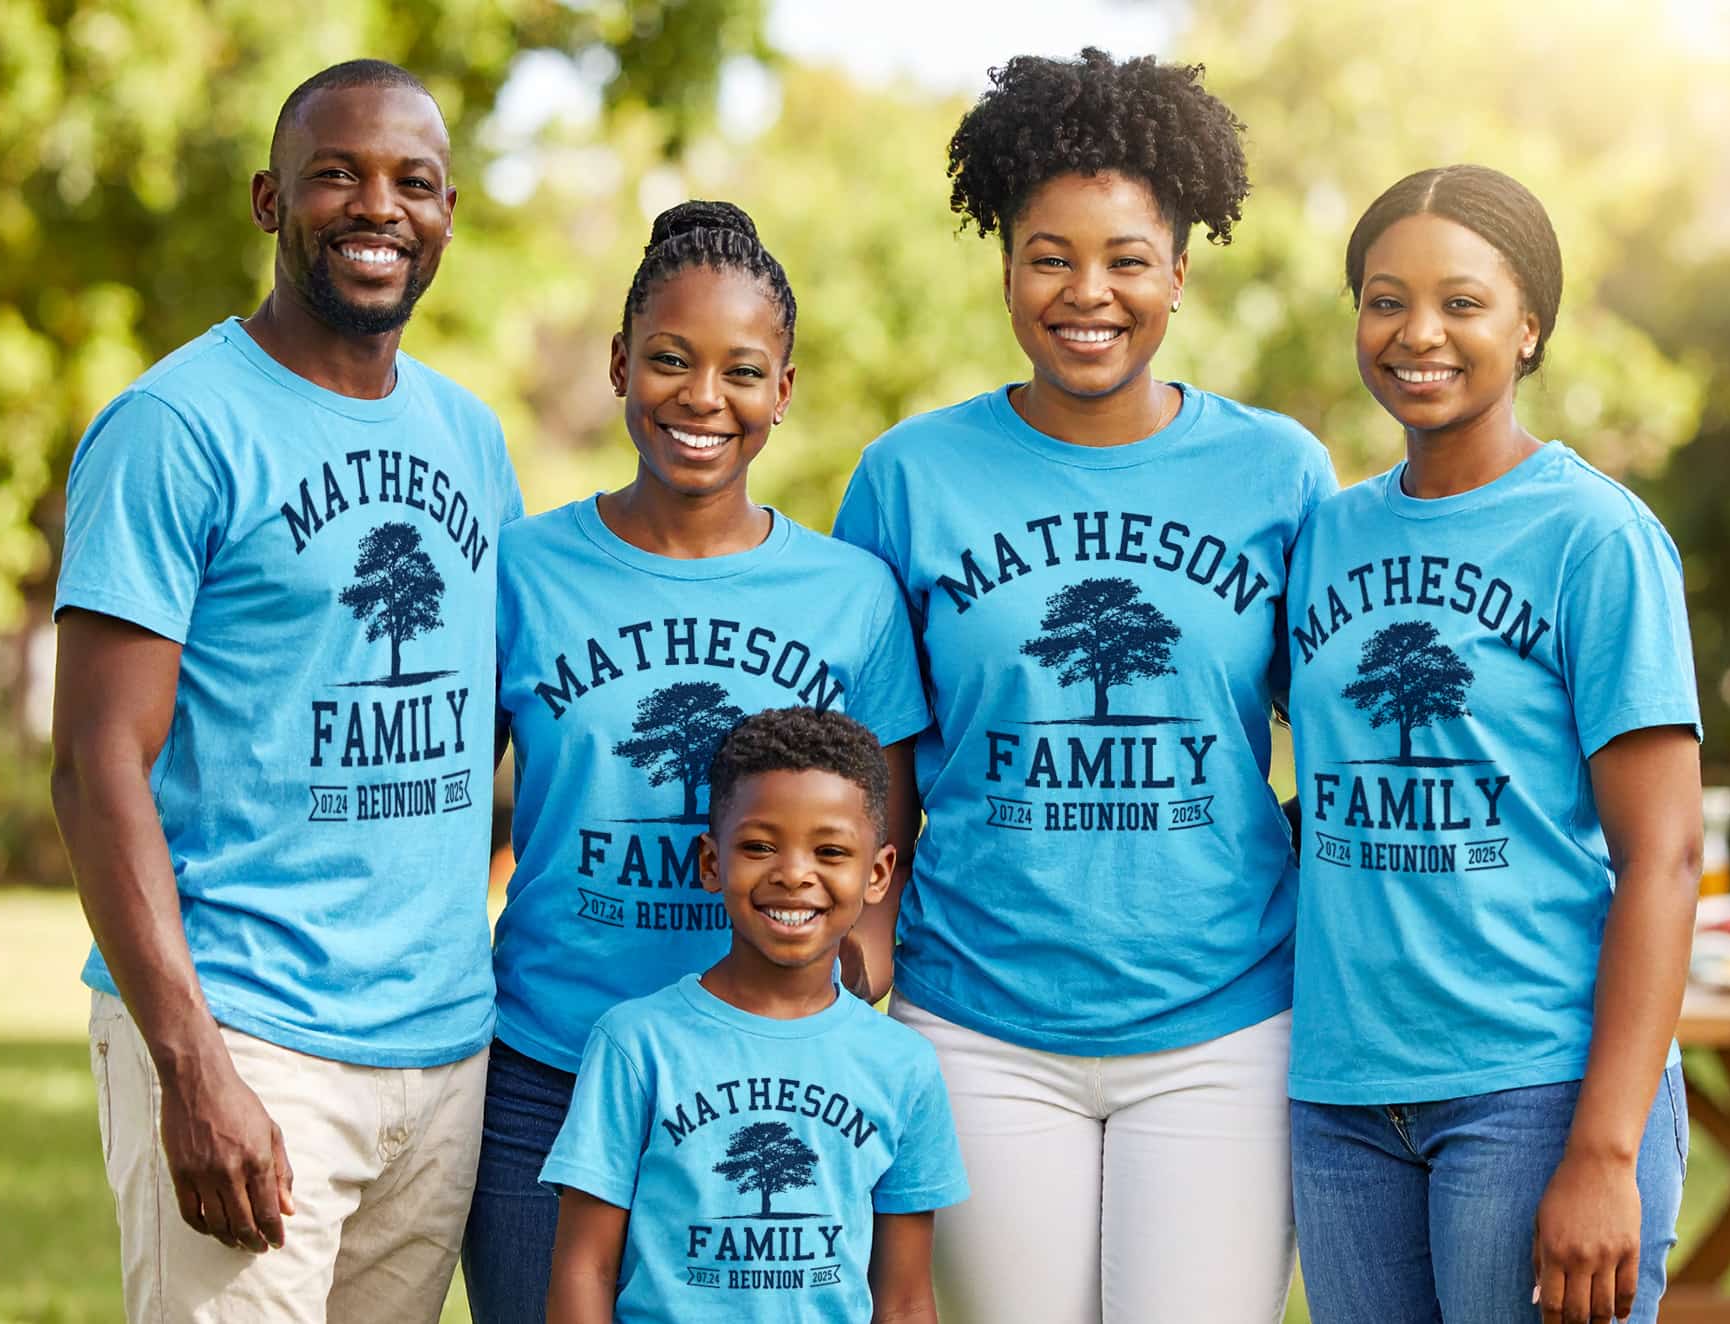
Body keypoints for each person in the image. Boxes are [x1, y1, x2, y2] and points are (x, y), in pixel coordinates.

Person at [831, 47, 1335, 1322]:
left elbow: (1336, 739)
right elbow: (870, 748)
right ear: (1003, 268)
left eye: (1124, 258)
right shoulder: (907, 478)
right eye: (1048, 257)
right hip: (978, 1023)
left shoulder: (1279, 473)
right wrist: (867, 924)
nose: (1086, 294)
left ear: (1179, 267)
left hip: (1224, 1024)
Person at [49, 59, 522, 1323]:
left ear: (447, 213)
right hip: (248, 1032)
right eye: (337, 175)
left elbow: (492, 721)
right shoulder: (176, 428)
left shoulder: (471, 437)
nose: (377, 207)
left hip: (438, 1048)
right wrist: (191, 1063)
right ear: (270, 200)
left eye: (410, 183)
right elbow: (96, 763)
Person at [464, 201, 930, 1321]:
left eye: (741, 369)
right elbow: (445, 806)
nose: (702, 398)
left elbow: (888, 843)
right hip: (549, 1066)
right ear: (621, 362)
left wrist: (825, 1012)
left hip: (769, 1082)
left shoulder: (848, 595)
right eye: (670, 360)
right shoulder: (521, 570)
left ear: (783, 388)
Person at [1285, 164, 1701, 1324]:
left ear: (1528, 327)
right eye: (1383, 297)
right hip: (1342, 1096)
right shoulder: (1322, 537)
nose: (1417, 332)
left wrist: (1605, 1152)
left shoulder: (1595, 538)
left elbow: (1662, 857)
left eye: (1461, 302)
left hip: (1534, 1086)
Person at [542, 707, 968, 1323]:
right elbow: (586, 1267)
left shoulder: (901, 1063)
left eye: (829, 850)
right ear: (712, 864)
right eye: (760, 846)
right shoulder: (636, 1044)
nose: (794, 874)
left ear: (877, 874)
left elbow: (903, 1300)